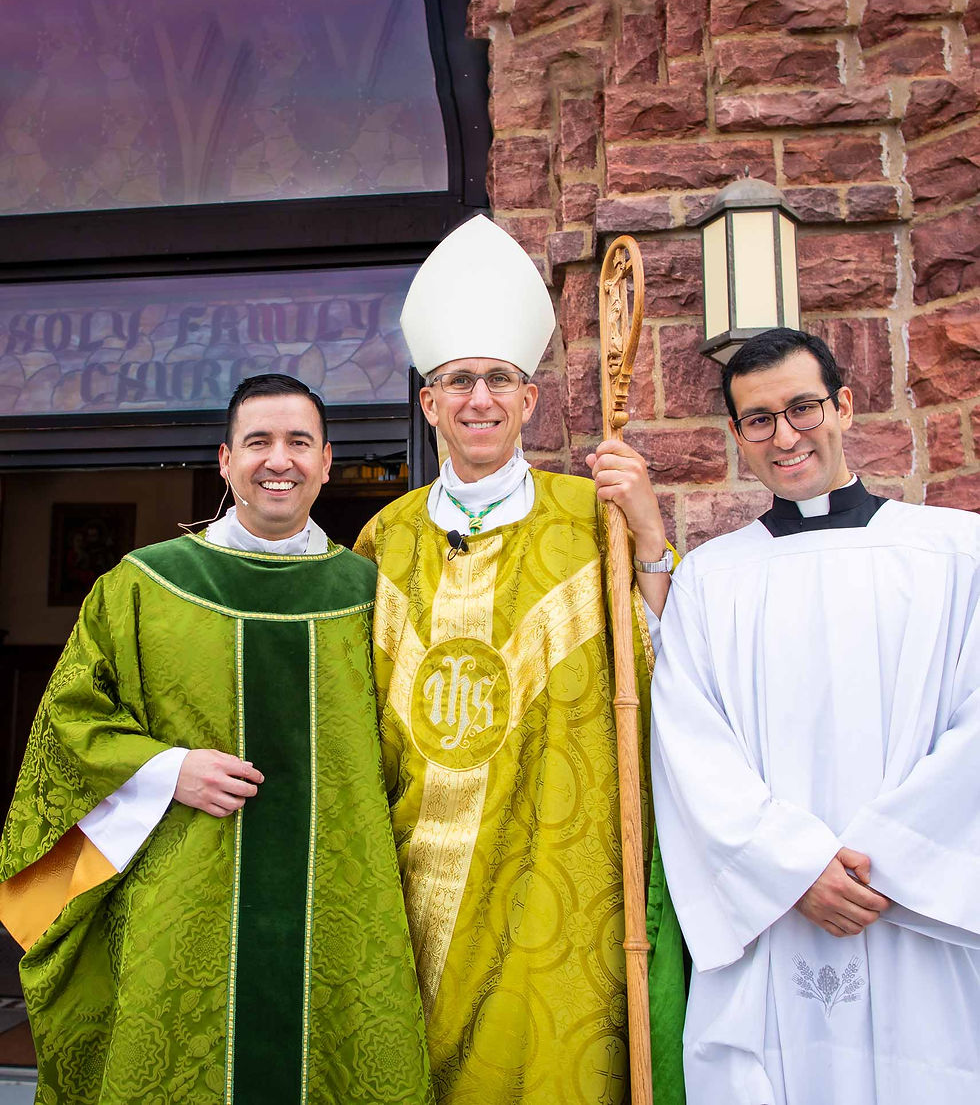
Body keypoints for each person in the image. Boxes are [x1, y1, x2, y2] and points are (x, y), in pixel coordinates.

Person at [0, 374, 433, 1105]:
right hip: (182, 902)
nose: (279, 460)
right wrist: (168, 769)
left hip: (340, 905)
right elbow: (68, 723)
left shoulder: (373, 597)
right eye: (258, 441)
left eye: (299, 442)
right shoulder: (145, 584)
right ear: (226, 460)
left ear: (327, 462)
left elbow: (418, 746)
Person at [353, 214, 686, 1104]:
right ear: (429, 402)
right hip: (413, 867)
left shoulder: (591, 516)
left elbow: (671, 667)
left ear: (530, 400)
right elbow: (348, 710)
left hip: (553, 869)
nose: (479, 400)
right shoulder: (384, 536)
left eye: (499, 380)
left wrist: (649, 531)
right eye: (458, 381)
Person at [649, 327, 980, 1105]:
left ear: (845, 405)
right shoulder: (710, 580)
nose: (785, 436)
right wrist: (795, 871)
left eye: (803, 408)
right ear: (737, 436)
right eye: (758, 420)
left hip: (916, 920)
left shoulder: (957, 552)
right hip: (775, 922)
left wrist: (889, 860)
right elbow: (691, 750)